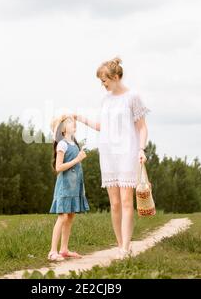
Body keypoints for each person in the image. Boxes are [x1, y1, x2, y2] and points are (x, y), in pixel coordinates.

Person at [74, 57, 150, 260]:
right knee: (114, 203)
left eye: (104, 80)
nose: (103, 84)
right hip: (108, 154)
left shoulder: (133, 97)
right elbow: (101, 126)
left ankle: (126, 247)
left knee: (126, 202)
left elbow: (142, 128)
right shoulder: (105, 99)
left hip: (128, 153)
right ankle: (120, 245)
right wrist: (80, 118)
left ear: (116, 77)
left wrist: (141, 150)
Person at [47, 115, 90, 261]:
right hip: (65, 186)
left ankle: (64, 249)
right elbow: (58, 168)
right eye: (71, 122)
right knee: (63, 216)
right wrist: (77, 159)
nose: (74, 124)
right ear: (63, 129)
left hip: (74, 186)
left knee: (70, 216)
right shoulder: (62, 145)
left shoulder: (74, 144)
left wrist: (79, 157)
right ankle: (53, 251)